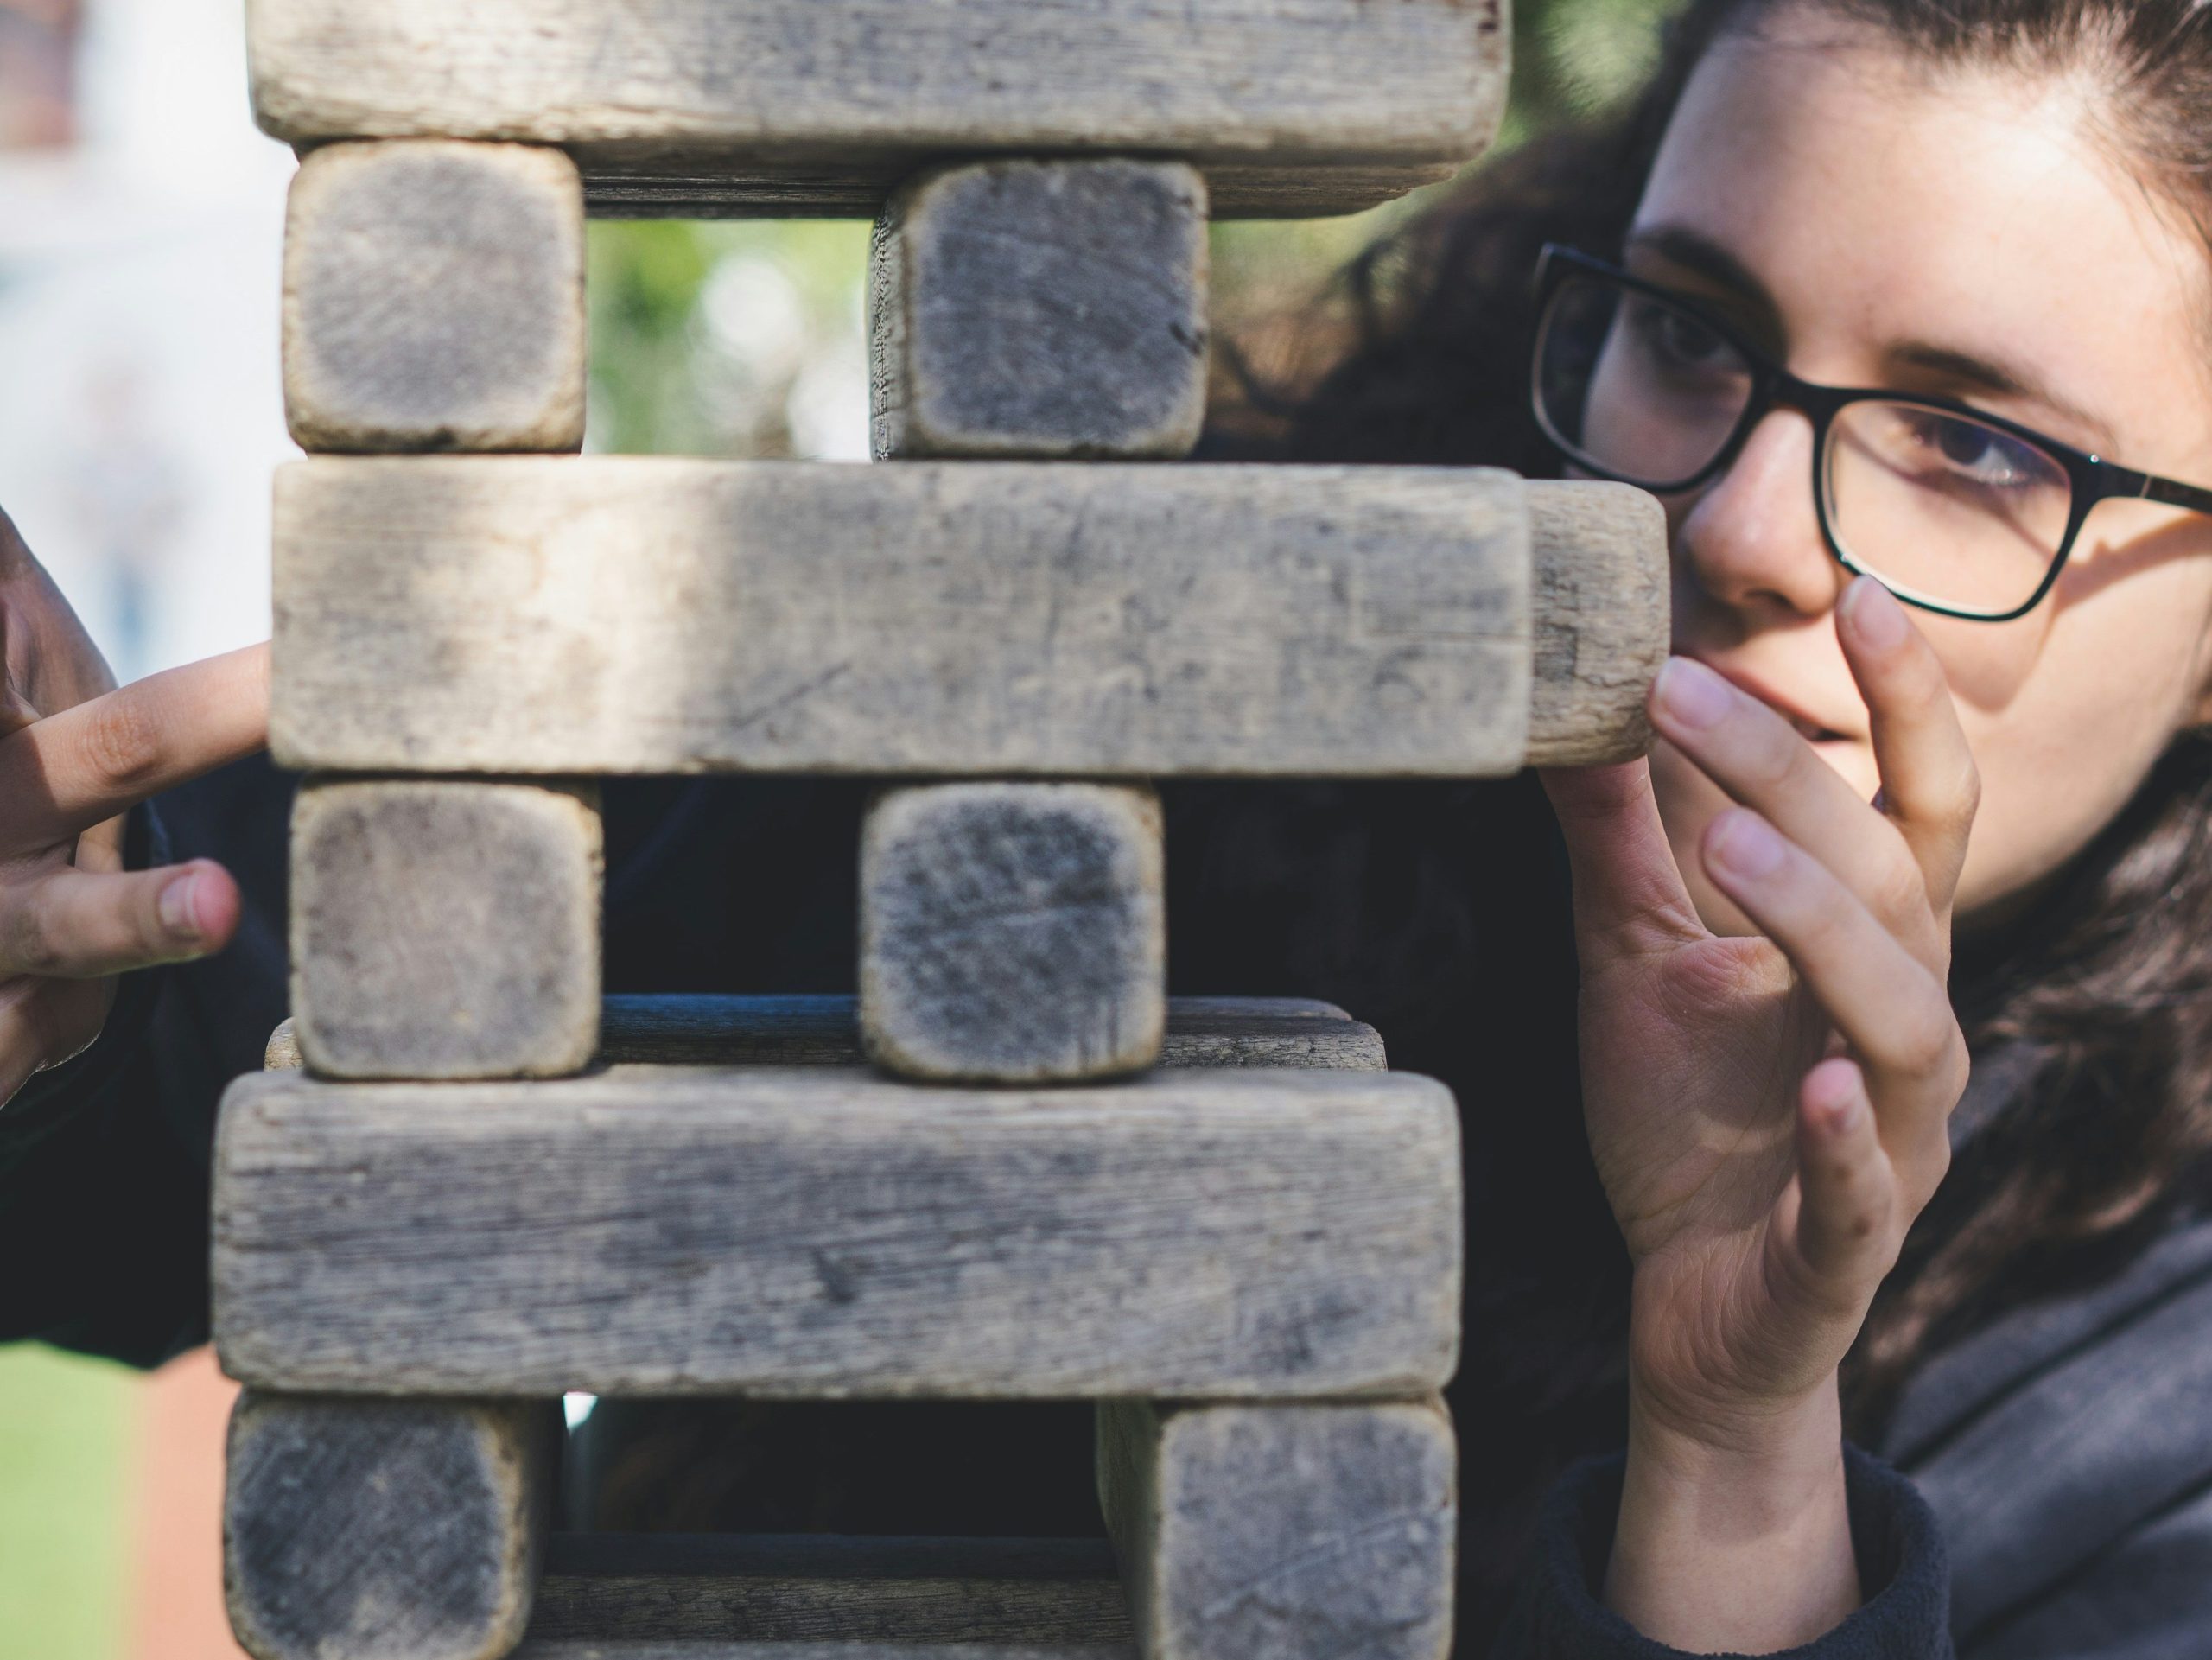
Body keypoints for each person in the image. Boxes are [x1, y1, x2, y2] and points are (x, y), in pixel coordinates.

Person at [8, 0, 2212, 1651]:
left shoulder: (2162, 1396)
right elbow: (208, 1112)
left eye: (1967, 443)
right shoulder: (1138, 698)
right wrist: (49, 961)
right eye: (1686, 330)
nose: (1730, 518)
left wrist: (1735, 1442)